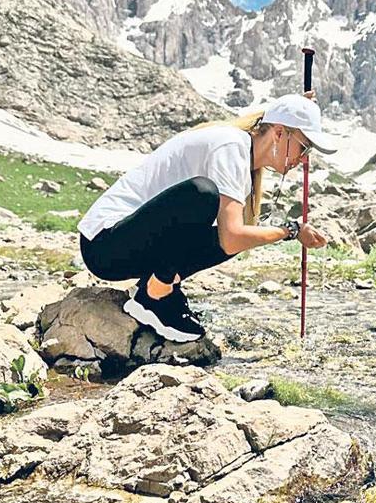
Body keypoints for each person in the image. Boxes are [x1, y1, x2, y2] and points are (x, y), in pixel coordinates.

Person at [78, 93, 336, 343]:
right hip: (104, 245)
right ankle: (154, 296)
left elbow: (229, 241)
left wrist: (299, 109)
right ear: (279, 133)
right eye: (304, 147)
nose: (304, 159)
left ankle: (157, 287)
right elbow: (232, 237)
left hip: (126, 244)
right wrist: (290, 231)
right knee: (203, 195)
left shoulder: (242, 156)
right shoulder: (231, 146)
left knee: (236, 233)